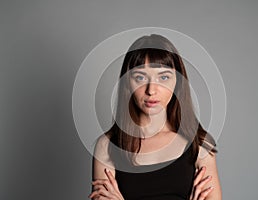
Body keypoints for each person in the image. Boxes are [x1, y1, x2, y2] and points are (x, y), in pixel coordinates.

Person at [88, 34, 222, 200]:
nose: (151, 90)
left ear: (178, 82)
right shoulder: (107, 146)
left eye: (164, 77)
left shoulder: (199, 144)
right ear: (127, 83)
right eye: (140, 77)